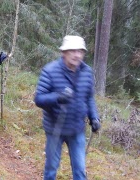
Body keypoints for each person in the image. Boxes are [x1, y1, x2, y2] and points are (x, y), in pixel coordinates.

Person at [34, 35, 101, 180]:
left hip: (77, 129)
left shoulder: (87, 72)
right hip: (54, 129)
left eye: (80, 51)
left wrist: (94, 117)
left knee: (80, 170)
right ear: (64, 52)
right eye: (73, 51)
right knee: (51, 168)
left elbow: (89, 97)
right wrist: (58, 97)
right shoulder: (50, 71)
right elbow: (39, 99)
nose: (77, 55)